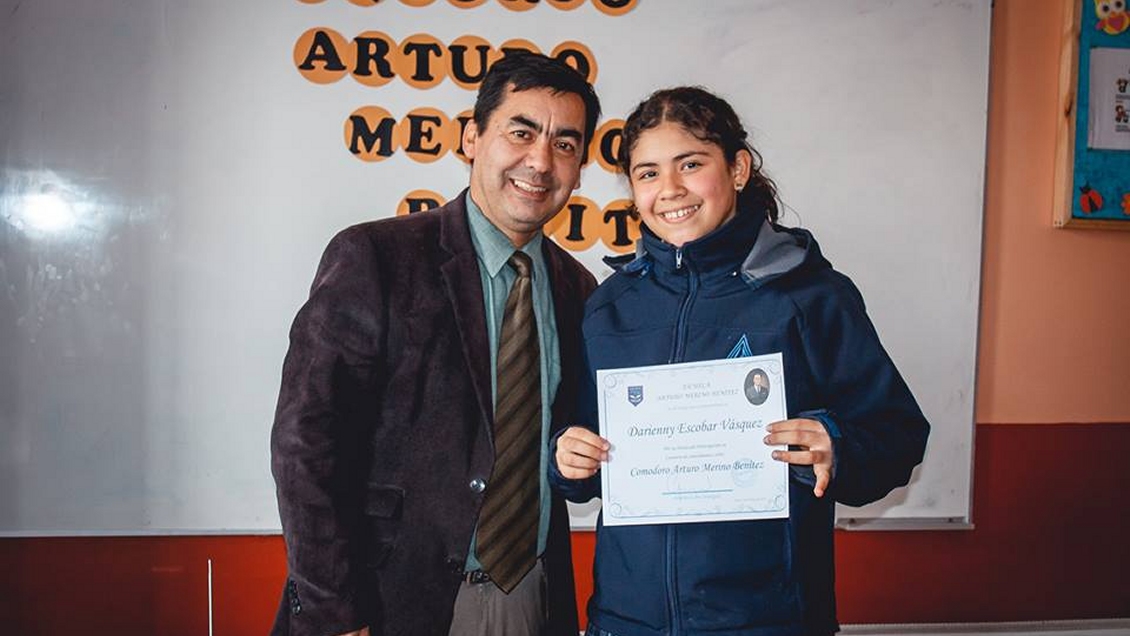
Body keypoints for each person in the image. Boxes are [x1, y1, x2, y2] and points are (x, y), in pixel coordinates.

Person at [550, 87, 930, 636]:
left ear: (738, 168)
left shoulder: (811, 295)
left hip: (768, 621)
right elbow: (580, 446)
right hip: (627, 619)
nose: (670, 188)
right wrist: (566, 458)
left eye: (691, 164)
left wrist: (834, 446)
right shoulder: (610, 306)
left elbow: (897, 435)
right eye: (648, 173)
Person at [270, 51, 601, 636]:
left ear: (579, 169)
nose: (541, 161)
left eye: (565, 144)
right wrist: (332, 611)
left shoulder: (580, 289)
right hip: (385, 602)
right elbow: (306, 442)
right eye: (521, 132)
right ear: (472, 138)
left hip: (531, 596)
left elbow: (571, 454)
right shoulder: (376, 257)